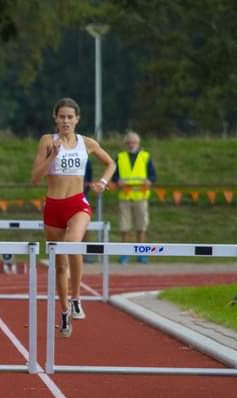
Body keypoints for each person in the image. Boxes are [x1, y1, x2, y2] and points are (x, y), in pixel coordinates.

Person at [30, 98, 115, 337]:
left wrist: (102, 182)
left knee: (72, 244)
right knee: (59, 264)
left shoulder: (86, 143)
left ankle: (76, 297)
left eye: (70, 117)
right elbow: (35, 178)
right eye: (62, 117)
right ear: (55, 119)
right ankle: (65, 310)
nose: (66, 121)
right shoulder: (47, 141)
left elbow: (111, 163)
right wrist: (51, 157)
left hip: (77, 204)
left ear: (77, 119)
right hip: (53, 206)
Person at [113, 130, 156, 264]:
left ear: (138, 143)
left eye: (134, 142)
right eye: (129, 142)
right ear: (126, 143)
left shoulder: (145, 156)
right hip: (124, 197)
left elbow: (153, 175)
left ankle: (141, 254)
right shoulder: (120, 157)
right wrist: (117, 180)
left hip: (141, 197)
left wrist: (149, 181)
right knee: (124, 227)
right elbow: (114, 175)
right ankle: (125, 255)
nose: (132, 144)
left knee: (141, 227)